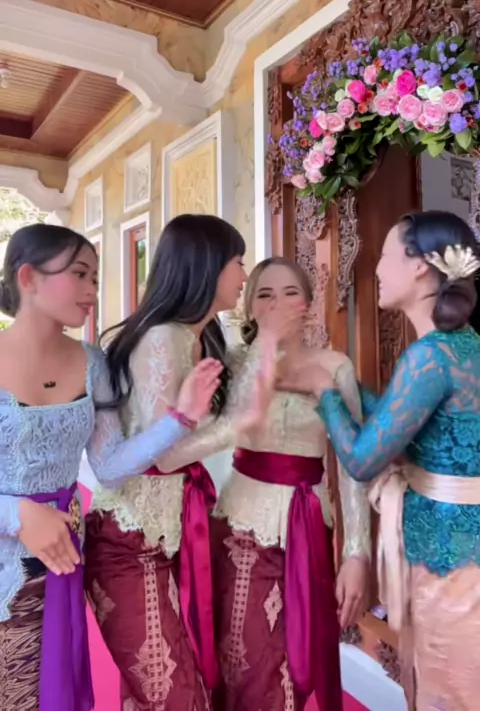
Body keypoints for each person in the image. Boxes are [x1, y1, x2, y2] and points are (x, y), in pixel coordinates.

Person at [0, 223, 223, 711]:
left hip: (58, 564)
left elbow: (109, 467)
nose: (93, 291)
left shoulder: (91, 363)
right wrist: (17, 513)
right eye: (80, 274)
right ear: (28, 278)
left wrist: (180, 419)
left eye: (96, 278)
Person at [284, 211, 480, 711]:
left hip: (453, 561)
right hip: (455, 549)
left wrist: (325, 393)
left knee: (451, 692)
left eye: (387, 255)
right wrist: (346, 385)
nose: (375, 269)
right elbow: (402, 424)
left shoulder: (431, 356)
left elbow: (361, 459)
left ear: (419, 266)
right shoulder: (461, 347)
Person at [84, 214, 277, 711]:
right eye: (237, 261)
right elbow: (166, 455)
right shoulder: (163, 337)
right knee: (175, 697)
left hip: (170, 536)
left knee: (159, 694)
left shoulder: (201, 336)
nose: (244, 273)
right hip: (130, 541)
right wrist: (238, 425)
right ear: (206, 265)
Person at [209, 257, 371, 711]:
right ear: (249, 307)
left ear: (309, 304)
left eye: (290, 293)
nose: (278, 304)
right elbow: (223, 421)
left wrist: (356, 552)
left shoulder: (335, 367)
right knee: (238, 664)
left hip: (307, 528)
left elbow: (352, 463)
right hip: (238, 527)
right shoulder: (235, 363)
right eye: (264, 294)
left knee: (290, 665)